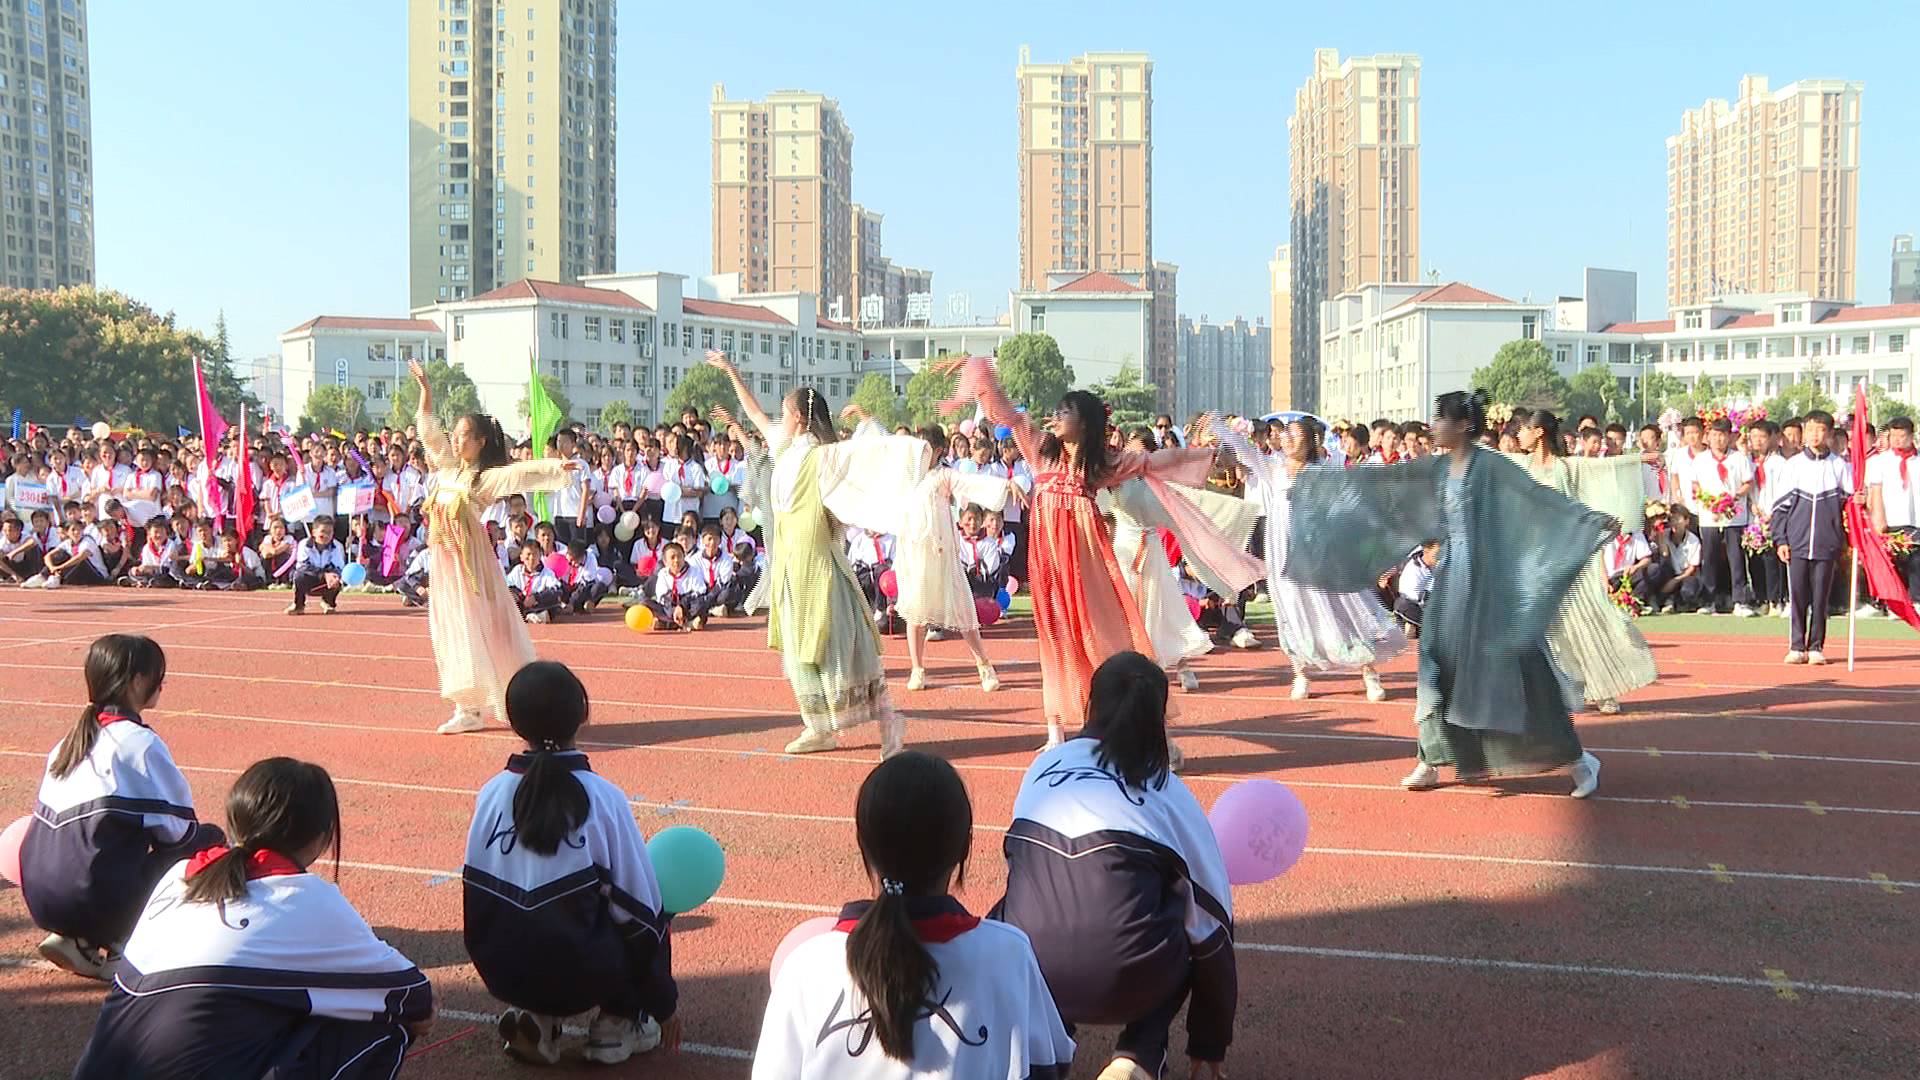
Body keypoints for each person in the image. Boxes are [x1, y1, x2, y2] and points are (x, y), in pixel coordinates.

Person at [1284, 390, 1612, 798]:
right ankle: (1430, 759)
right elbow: (1381, 485)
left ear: (1463, 426)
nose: (1435, 426)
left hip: (1493, 584)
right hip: (1453, 580)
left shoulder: (1491, 467)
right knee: (1437, 664)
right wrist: (1318, 484)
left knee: (1520, 670)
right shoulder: (1437, 470)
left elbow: (1537, 501)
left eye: (1441, 419)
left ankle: (1578, 762)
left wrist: (1588, 523)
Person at [936, 356, 1262, 748]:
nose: (1055, 416)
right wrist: (979, 373)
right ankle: (1056, 729)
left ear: (1087, 423)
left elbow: (1156, 461)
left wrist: (1208, 457)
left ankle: (1154, 731)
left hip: (1086, 562)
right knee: (1055, 638)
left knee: (1107, 640)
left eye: (1066, 411)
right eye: (1056, 410)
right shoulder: (1040, 450)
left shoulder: (1102, 465)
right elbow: (1007, 411)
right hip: (1049, 566)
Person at [73, 757, 434, 1080]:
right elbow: (414, 997)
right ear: (322, 837)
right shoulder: (304, 897)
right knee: (387, 1026)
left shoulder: (181, 875)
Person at [752, 751, 1074, 1079]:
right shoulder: (1008, 954)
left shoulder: (807, 965)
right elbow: (1050, 1065)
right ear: (965, 847)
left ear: (863, 845)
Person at [996, 653, 1235, 1080]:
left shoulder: (1044, 766)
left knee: (1030, 902)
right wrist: (1210, 1039)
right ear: (1158, 720)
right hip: (1132, 979)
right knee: (1188, 914)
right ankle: (1138, 1057)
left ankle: (1038, 1053)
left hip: (1038, 974)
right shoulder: (1169, 790)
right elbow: (1214, 921)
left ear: (1088, 706)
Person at [463, 662, 680, 1066]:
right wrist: (663, 1002)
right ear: (583, 715)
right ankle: (618, 1023)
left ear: (513, 723)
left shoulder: (490, 794)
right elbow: (640, 914)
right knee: (654, 904)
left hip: (501, 972)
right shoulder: (604, 799)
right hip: (584, 977)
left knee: (536, 912)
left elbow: (478, 897)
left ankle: (535, 1018)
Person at [704, 350, 916, 755]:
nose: (779, 415)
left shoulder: (824, 454)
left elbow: (871, 457)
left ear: (799, 416)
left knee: (846, 649)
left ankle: (889, 725)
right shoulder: (784, 445)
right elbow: (753, 412)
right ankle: (816, 726)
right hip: (788, 566)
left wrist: (876, 427)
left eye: (785, 410)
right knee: (799, 649)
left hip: (819, 564)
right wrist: (732, 371)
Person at [22, 635, 225, 979]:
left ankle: (78, 938)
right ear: (136, 681)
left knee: (107, 844)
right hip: (92, 900)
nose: (162, 683)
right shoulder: (139, 744)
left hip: (41, 900)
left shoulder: (67, 743)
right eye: (157, 675)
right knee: (208, 840)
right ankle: (124, 943)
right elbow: (179, 835)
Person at [406, 359, 582, 734]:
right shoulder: (446, 467)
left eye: (464, 435)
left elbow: (517, 473)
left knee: (486, 630)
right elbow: (428, 431)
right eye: (455, 434)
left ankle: (511, 698)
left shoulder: (481, 479)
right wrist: (426, 391)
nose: (456, 440)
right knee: (450, 632)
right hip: (444, 568)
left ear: (481, 441)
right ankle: (466, 705)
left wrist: (554, 469)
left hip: (471, 569)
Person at [1213, 416, 1404, 702]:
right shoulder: (1273, 469)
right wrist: (1223, 428)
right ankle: (1300, 673)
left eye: (1296, 435)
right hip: (1283, 558)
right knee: (1292, 612)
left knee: (1344, 609)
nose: (1289, 439)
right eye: (1287, 435)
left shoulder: (1323, 473)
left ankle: (1369, 672)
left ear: (1310, 441)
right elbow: (1245, 452)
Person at [844, 411, 1012, 693]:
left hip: (942, 554)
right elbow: (886, 445)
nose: (920, 455)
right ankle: (917, 668)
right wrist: (866, 417)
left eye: (926, 450)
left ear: (938, 450)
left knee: (964, 612)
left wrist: (1007, 484)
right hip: (913, 554)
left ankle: (984, 666)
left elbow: (971, 483)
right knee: (915, 613)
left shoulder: (943, 476)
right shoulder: (905, 477)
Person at [1512, 411, 1659, 714]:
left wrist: (1638, 461)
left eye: (1524, 430)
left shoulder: (1567, 468)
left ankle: (1603, 687)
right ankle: (1557, 689)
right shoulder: (1521, 466)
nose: (1518, 435)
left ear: (1539, 432)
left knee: (1586, 619)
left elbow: (1605, 468)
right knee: (1544, 628)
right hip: (1534, 560)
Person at [1770, 409, 1853, 665]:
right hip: (1797, 541)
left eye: (1821, 430)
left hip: (1827, 542)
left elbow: (1849, 504)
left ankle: (1816, 646)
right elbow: (1780, 507)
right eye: (1811, 429)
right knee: (1797, 596)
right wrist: (1781, 539)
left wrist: (1856, 501)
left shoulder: (1839, 465)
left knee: (1820, 598)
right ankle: (1796, 645)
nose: (1815, 435)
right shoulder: (1793, 465)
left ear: (1829, 434)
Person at [1689, 417, 1759, 616]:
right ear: (1708, 437)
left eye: (1723, 435)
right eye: (1715, 435)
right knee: (1709, 558)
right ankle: (1709, 600)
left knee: (1736, 558)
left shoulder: (1739, 458)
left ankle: (1740, 601)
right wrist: (1707, 499)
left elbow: (1748, 482)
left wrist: (1736, 496)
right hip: (1709, 515)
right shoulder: (1701, 459)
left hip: (1734, 516)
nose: (1718, 439)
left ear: (1730, 437)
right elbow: (1695, 484)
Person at [1866, 415, 1920, 600]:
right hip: (1890, 520)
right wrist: (1877, 520)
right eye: (1894, 436)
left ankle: (1915, 599)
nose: (1897, 440)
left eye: (1902, 436)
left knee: (1916, 562)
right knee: (1893, 563)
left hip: (1915, 521)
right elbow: (1874, 492)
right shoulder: (1879, 461)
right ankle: (1892, 601)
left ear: (1911, 436)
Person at [286, 515, 346, 615]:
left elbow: (338, 567)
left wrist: (333, 576)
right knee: (298, 575)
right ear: (314, 532)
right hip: (309, 579)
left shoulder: (337, 546)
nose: (326, 536)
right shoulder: (304, 544)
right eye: (323, 532)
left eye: (329, 532)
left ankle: (329, 601)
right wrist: (324, 575)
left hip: (326, 582)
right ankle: (299, 604)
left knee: (338, 579)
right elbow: (303, 567)